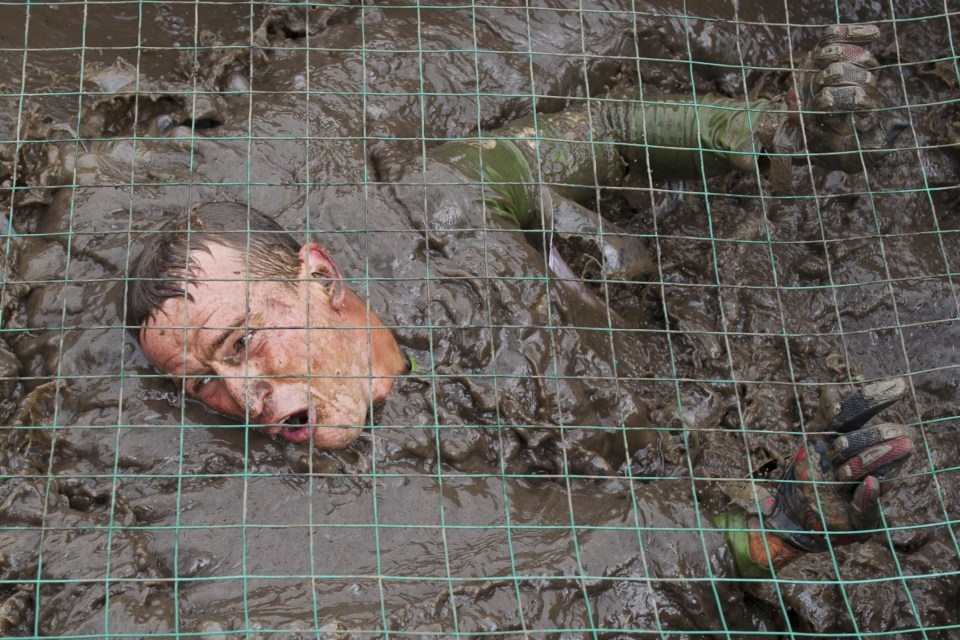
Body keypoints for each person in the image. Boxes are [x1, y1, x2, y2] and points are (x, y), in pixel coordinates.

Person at [124, 21, 915, 585]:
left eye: (240, 344)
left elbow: (608, 133)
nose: (240, 396)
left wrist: (773, 128)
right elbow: (575, 556)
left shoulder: (446, 205)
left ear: (320, 276)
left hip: (676, 377)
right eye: (202, 386)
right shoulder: (338, 506)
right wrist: (780, 531)